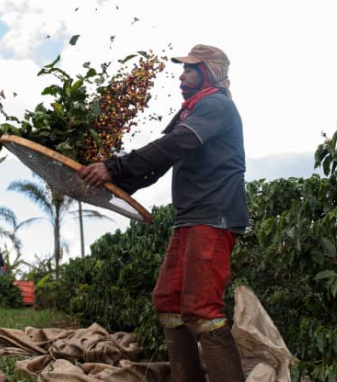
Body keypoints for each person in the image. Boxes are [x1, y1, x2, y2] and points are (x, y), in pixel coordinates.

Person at [80, 44, 248, 382]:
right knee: (169, 301)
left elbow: (172, 146)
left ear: (209, 72)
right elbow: (161, 162)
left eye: (190, 69)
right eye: (183, 69)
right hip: (189, 217)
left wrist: (114, 167)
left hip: (214, 217)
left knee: (201, 309)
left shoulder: (215, 105)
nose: (182, 75)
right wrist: (119, 182)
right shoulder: (191, 111)